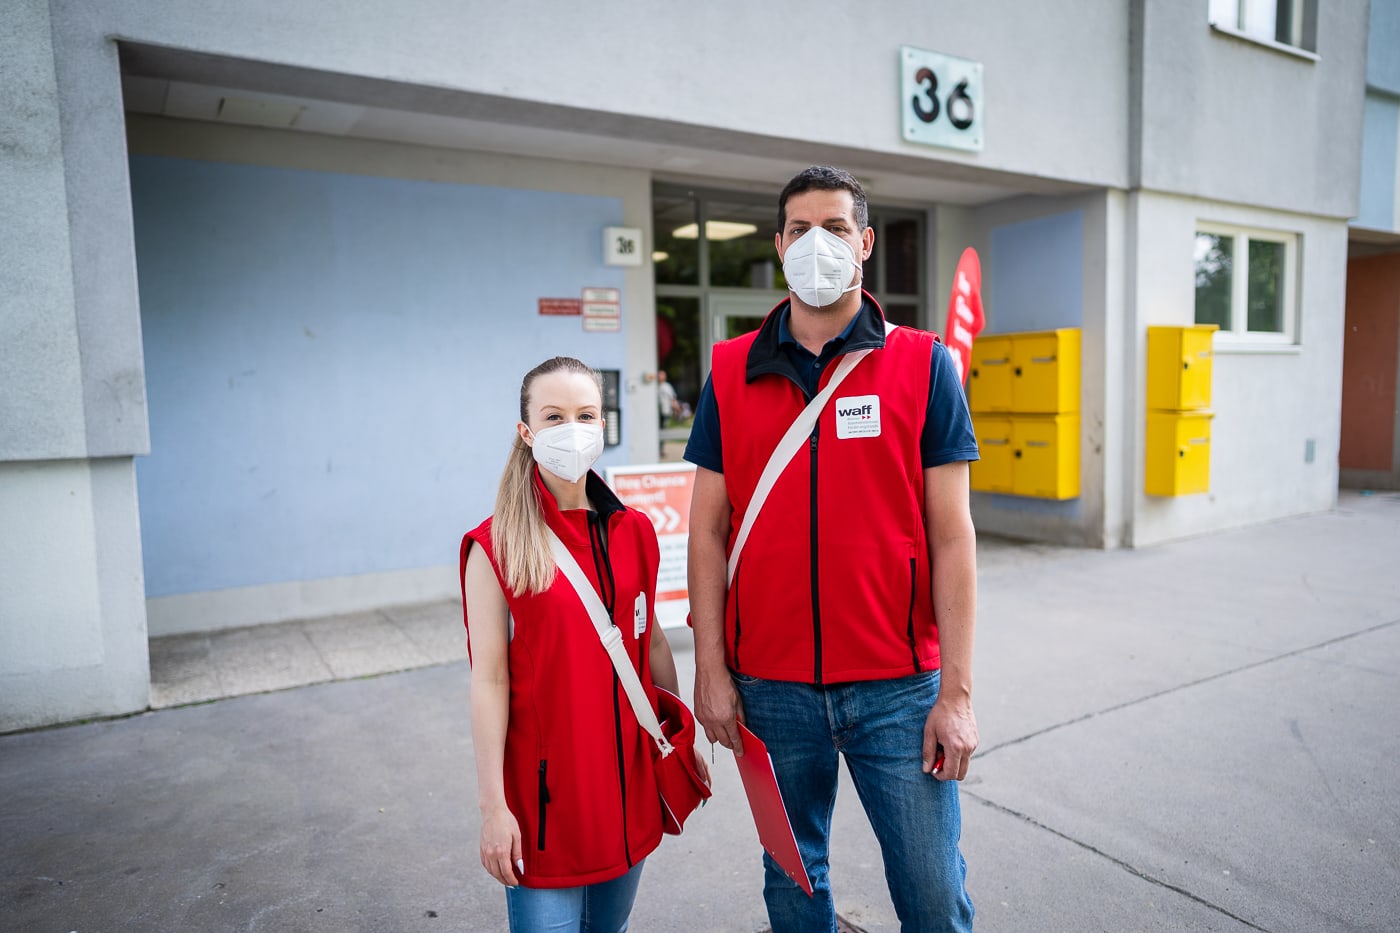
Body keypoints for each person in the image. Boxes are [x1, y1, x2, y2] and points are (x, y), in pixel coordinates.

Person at [685, 166, 980, 932]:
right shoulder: (728, 370)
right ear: (779, 245)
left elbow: (952, 536)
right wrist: (711, 668)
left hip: (898, 689)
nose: (819, 243)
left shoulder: (925, 364)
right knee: (793, 885)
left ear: (866, 243)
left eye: (837, 228)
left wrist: (957, 694)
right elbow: (707, 529)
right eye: (802, 229)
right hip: (771, 688)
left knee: (932, 892)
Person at [461, 356, 708, 933]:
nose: (572, 428)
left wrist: (681, 732)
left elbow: (650, 649)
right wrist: (493, 808)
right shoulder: (492, 547)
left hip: (627, 796)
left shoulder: (636, 532)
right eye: (554, 416)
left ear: (602, 426)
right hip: (544, 812)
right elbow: (489, 682)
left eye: (585, 414)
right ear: (527, 433)